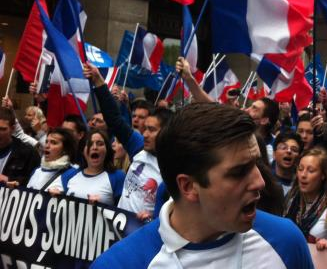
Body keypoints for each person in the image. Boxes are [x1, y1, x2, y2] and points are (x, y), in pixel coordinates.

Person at [92, 103, 313, 268]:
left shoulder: (286, 242)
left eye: (256, 164)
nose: (259, 182)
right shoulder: (119, 264)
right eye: (238, 172)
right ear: (188, 186)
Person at [85, 63, 172, 220]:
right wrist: (99, 82)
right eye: (144, 129)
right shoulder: (139, 147)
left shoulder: (174, 171)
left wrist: (155, 220)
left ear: (168, 132)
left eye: (151, 130)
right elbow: (114, 119)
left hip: (145, 239)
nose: (144, 134)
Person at [285, 147, 327, 245]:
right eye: (300, 169)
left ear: (323, 175)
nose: (303, 175)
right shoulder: (290, 201)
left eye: (311, 171)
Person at [54, 129, 126, 205]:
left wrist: (100, 206)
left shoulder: (118, 177)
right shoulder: (69, 174)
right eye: (89, 144)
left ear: (107, 150)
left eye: (100, 144)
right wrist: (55, 197)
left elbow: (124, 210)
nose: (94, 147)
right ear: (83, 151)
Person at [0, 107, 40, 187]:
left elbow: (35, 183)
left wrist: (7, 179)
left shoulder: (28, 153)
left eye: (2, 129)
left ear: (13, 129)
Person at [272, 132, 303, 196]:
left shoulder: (302, 185)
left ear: (299, 158)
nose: (289, 151)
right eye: (283, 148)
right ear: (274, 154)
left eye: (294, 149)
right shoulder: (265, 182)